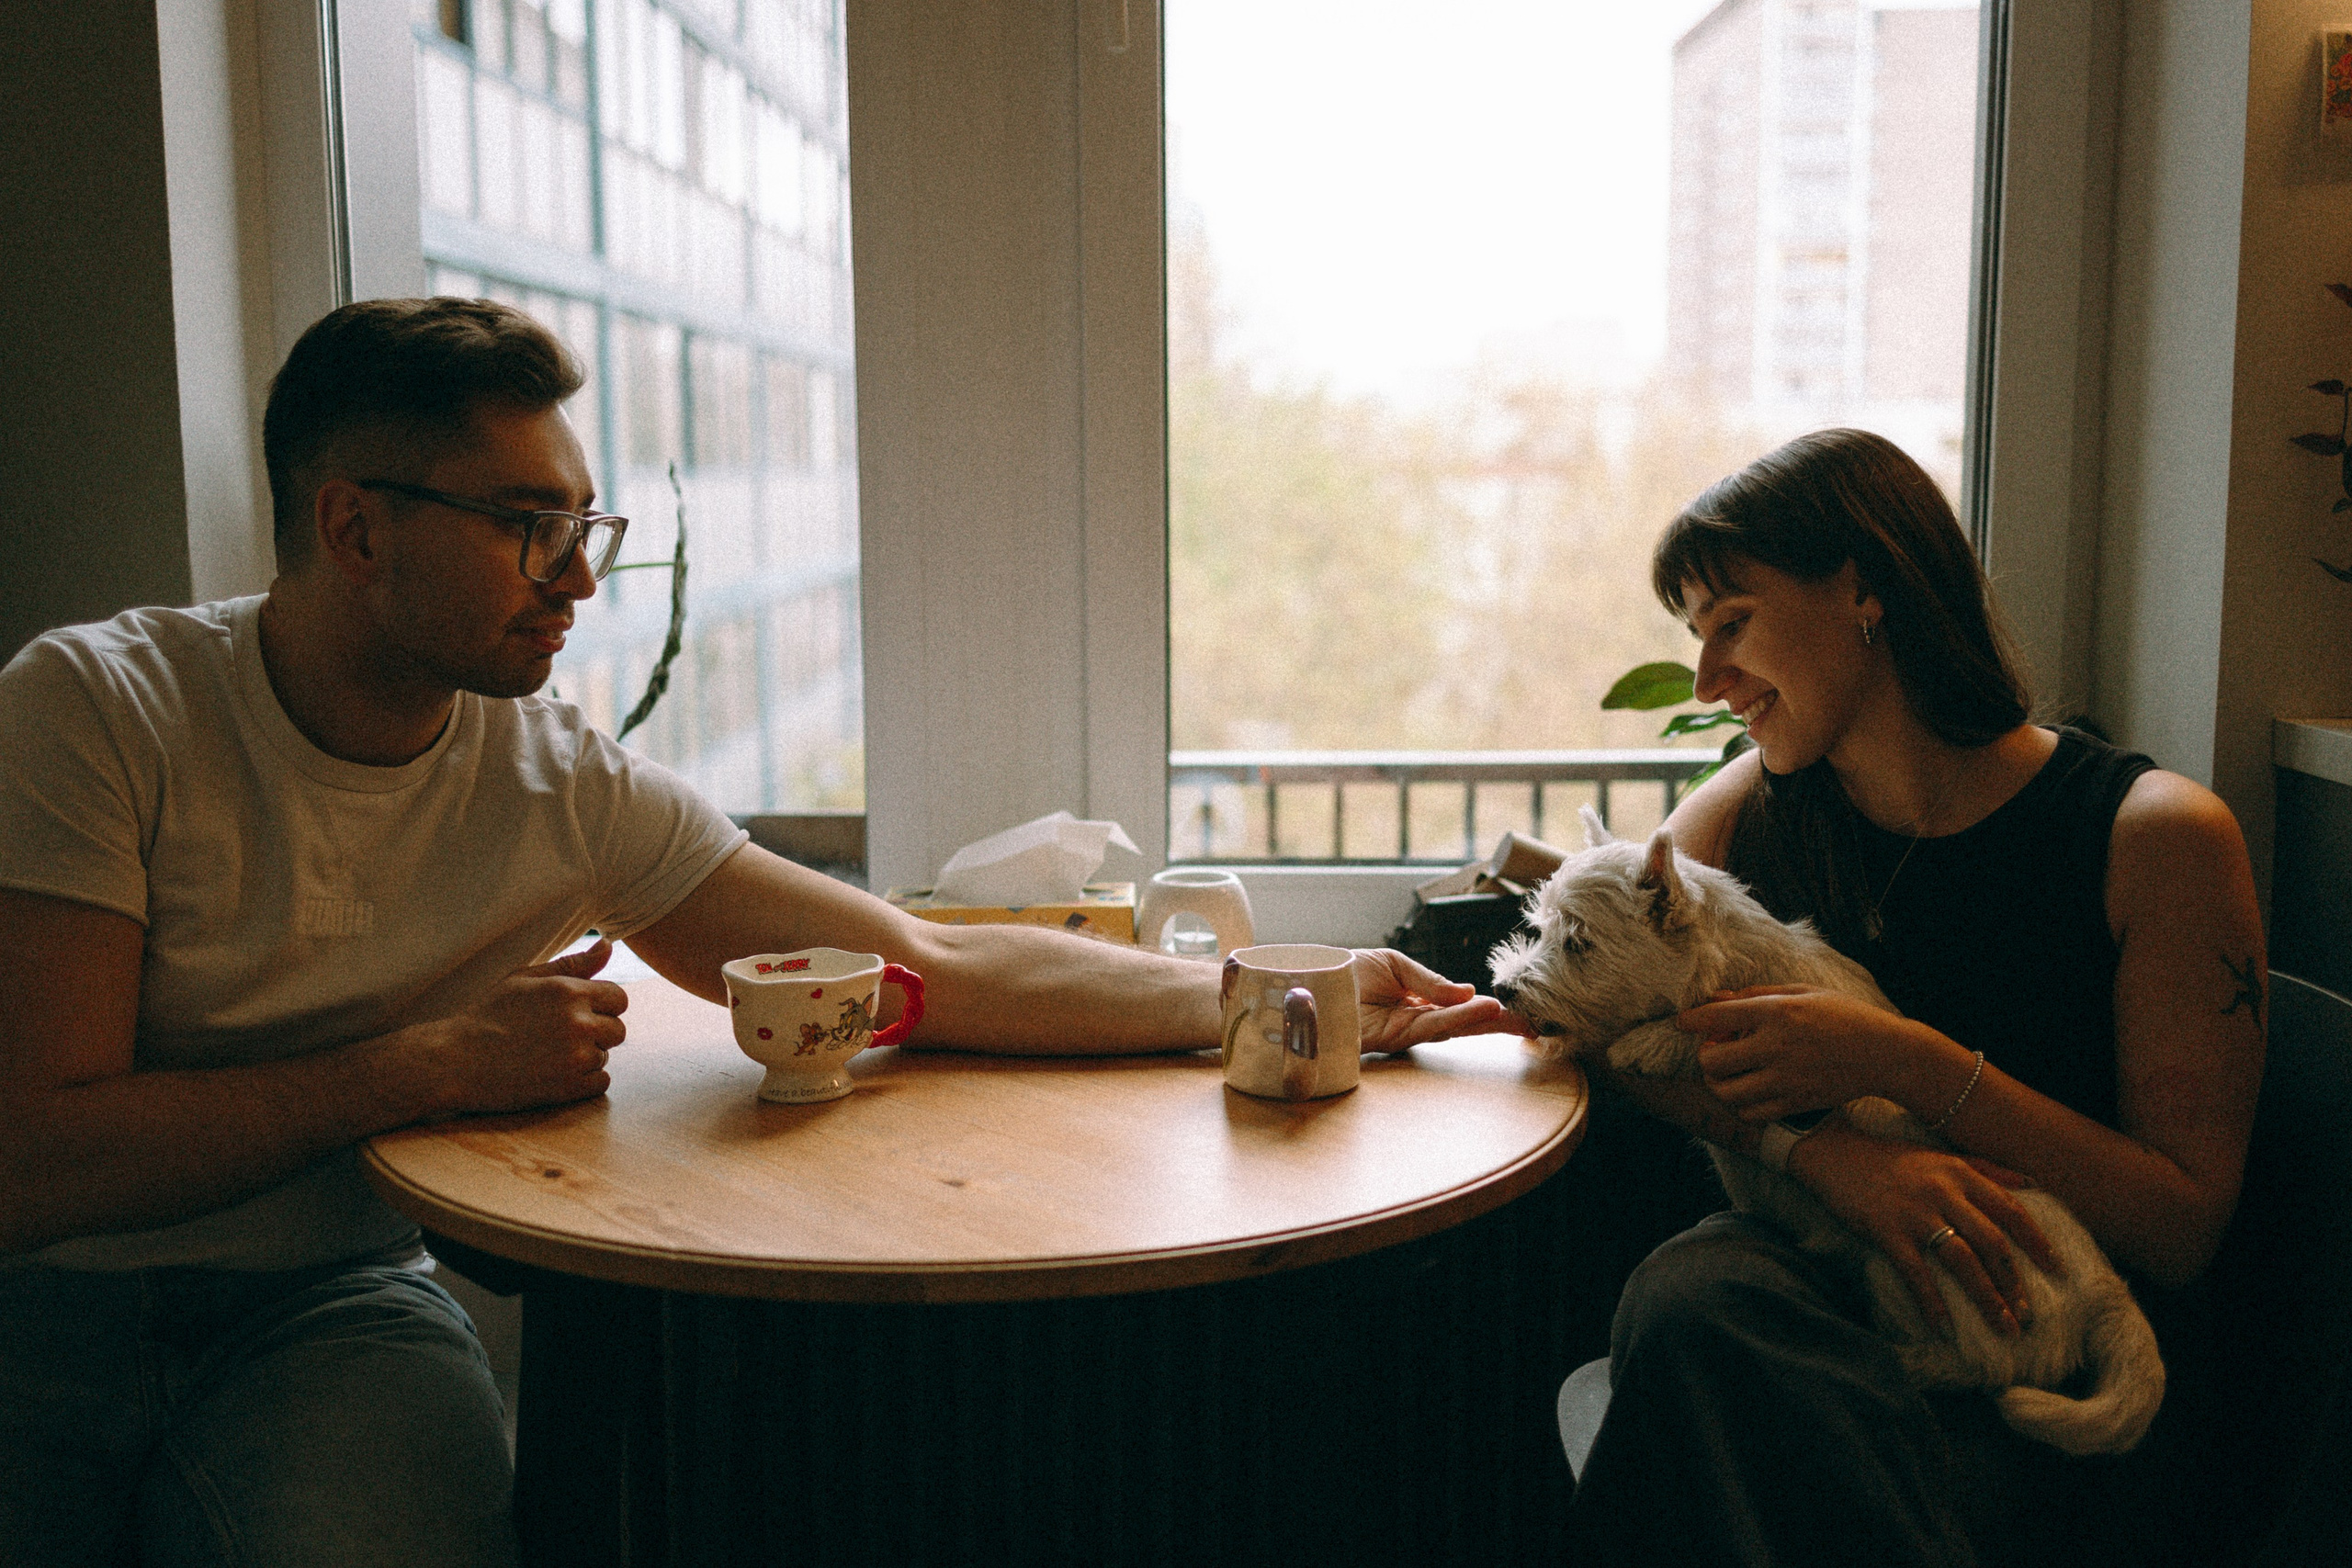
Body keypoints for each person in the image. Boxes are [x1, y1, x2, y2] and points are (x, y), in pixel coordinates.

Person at [0, 297, 1510, 1568]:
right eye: (530, 527)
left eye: (582, 525)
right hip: (39, 1309)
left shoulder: (556, 785)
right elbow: (34, 1159)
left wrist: (1252, 995)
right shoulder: (101, 713)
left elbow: (931, 963)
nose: (584, 578)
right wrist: (426, 1064)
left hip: (327, 1316)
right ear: (354, 528)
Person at [1555, 428, 2266, 1566]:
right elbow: (1617, 1044)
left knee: (1707, 1382)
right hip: (1822, 1312)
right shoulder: (1751, 810)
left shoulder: (2155, 836)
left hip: (2049, 1371)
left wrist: (1905, 1066)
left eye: (1730, 622)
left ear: (1865, 588)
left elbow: (2181, 1232)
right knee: (1695, 1292)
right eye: (1694, 639)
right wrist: (1832, 1161)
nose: (1705, 683)